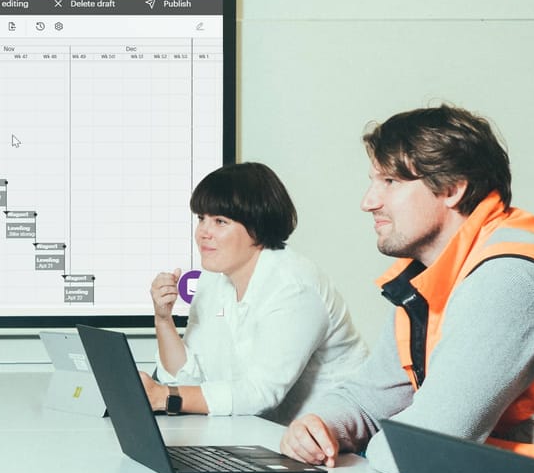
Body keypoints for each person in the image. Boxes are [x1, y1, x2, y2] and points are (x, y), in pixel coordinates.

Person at [279, 104, 534, 473]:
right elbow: (370, 399)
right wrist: (319, 425)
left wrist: (367, 443)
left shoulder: (507, 279)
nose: (369, 201)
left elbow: (425, 451)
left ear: (452, 189)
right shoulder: (432, 279)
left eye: (390, 182)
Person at [142, 161, 367, 422]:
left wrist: (164, 397)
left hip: (337, 441)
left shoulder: (292, 287)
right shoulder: (213, 279)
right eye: (201, 218)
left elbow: (261, 393)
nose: (203, 232)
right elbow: (189, 378)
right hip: (263, 434)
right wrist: (163, 320)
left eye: (220, 221)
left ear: (257, 227)